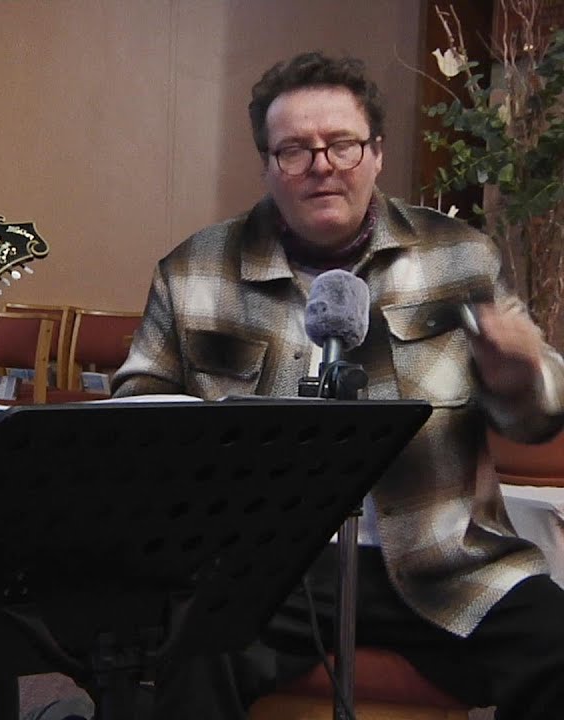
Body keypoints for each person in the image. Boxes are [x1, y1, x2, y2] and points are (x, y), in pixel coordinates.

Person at [113, 51, 564, 718]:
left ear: (376, 154)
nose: (321, 165)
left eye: (342, 145)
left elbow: (536, 421)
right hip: (263, 569)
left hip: (445, 556)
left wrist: (522, 377)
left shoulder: (460, 255)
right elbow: (133, 414)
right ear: (266, 165)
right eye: (294, 150)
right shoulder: (194, 271)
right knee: (183, 648)